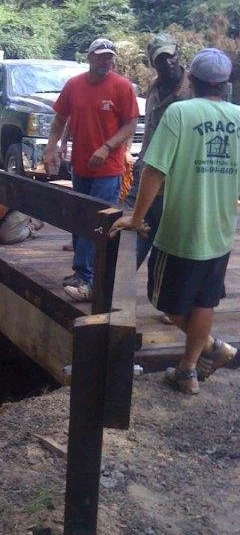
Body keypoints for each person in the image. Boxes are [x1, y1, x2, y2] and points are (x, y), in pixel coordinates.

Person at [110, 48, 240, 395]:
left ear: (192, 79)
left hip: (180, 231)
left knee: (163, 300)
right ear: (225, 84)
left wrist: (136, 219)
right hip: (221, 231)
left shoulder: (180, 113)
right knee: (204, 302)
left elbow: (154, 170)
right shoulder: (239, 118)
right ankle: (188, 370)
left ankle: (209, 350)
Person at [42, 38, 139, 302]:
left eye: (109, 57)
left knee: (98, 220)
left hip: (108, 168)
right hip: (80, 166)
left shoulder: (121, 87)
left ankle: (89, 279)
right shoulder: (74, 85)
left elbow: (130, 125)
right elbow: (60, 119)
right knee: (78, 218)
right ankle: (81, 271)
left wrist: (108, 147)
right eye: (100, 57)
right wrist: (51, 149)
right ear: (89, 58)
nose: (105, 61)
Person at [126, 33, 192, 269]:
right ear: (152, 63)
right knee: (133, 234)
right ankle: (111, 291)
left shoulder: (193, 90)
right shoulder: (154, 86)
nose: (168, 63)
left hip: (177, 180)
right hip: (147, 171)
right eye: (160, 59)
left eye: (170, 56)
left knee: (170, 245)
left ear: (178, 54)